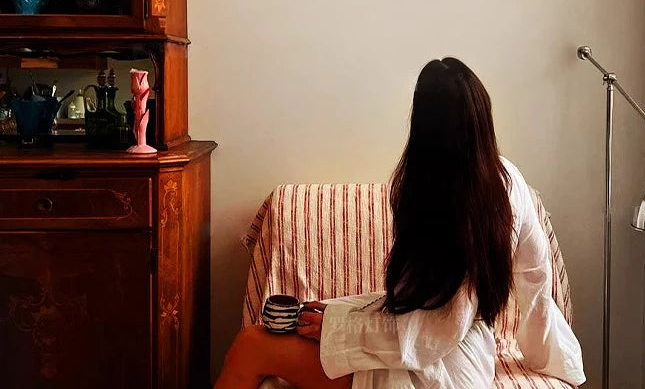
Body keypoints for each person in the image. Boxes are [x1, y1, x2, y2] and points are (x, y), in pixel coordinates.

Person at [215, 57, 585, 389]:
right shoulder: (509, 179)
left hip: (438, 372)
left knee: (251, 347)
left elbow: (438, 331)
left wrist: (340, 330)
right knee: (308, 322)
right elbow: (535, 277)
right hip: (466, 354)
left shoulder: (440, 196)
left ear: (425, 128)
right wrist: (547, 355)